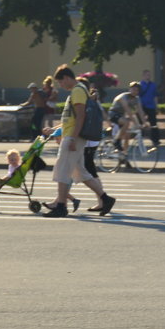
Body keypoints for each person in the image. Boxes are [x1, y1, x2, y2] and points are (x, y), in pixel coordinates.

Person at [41, 65, 115, 218]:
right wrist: (57, 130)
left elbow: (81, 116)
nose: (61, 86)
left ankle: (61, 206)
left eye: (61, 82)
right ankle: (106, 199)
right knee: (80, 172)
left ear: (67, 78)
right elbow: (71, 118)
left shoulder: (77, 91)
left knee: (62, 171)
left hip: (73, 137)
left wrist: (73, 138)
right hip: (72, 135)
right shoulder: (78, 91)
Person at [109, 81, 149, 156]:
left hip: (122, 116)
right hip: (113, 114)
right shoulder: (123, 97)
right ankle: (116, 141)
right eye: (133, 89)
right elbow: (128, 111)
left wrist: (144, 123)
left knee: (127, 135)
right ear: (129, 89)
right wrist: (137, 124)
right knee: (127, 122)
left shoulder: (137, 99)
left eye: (137, 90)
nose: (135, 91)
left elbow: (140, 111)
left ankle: (124, 155)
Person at [138, 69, 160, 147]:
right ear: (143, 76)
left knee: (153, 123)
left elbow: (155, 96)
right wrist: (139, 108)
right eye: (147, 75)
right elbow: (138, 97)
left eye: (149, 75)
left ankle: (155, 139)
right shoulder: (139, 85)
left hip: (151, 106)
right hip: (142, 106)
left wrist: (156, 106)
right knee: (140, 123)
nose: (149, 76)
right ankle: (139, 139)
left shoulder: (153, 85)